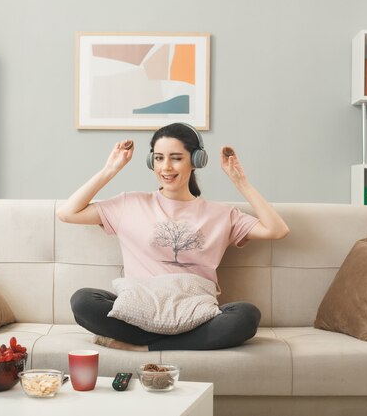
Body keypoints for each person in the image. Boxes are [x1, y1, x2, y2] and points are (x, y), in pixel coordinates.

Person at [56, 123, 289, 351]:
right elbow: (67, 213)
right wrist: (110, 170)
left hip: (195, 312)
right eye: (158, 158)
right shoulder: (130, 203)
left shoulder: (222, 214)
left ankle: (142, 345)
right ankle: (178, 344)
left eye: (176, 158)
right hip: (137, 307)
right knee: (83, 300)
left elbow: (277, 230)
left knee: (246, 316)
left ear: (196, 161)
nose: (165, 167)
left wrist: (241, 182)